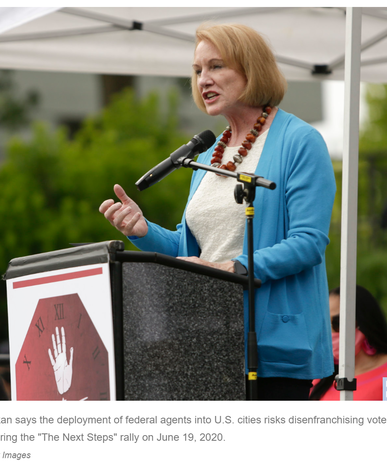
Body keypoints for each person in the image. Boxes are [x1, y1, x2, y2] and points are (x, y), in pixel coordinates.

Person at [99, 23, 336, 400]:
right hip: (207, 341)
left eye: (215, 66)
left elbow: (308, 243)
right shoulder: (208, 156)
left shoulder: (299, 141)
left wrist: (234, 268)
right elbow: (192, 251)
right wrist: (144, 230)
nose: (203, 80)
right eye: (197, 71)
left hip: (271, 345)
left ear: (251, 69)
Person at [310, 285, 387, 401]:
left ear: (365, 322)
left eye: (337, 323)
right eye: (324, 325)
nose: (330, 333)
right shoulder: (321, 378)